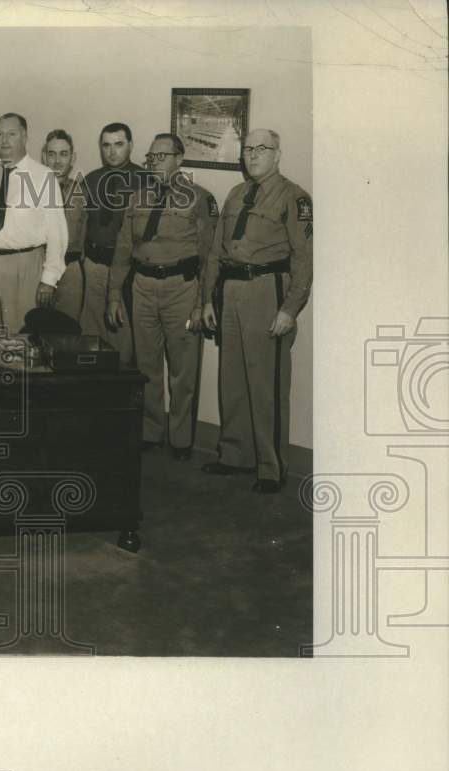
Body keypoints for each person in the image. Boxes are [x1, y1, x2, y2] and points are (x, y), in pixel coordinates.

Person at [200, 128, 313, 493]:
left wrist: (290, 309)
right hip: (230, 291)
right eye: (247, 149)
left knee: (266, 385)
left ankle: (270, 467)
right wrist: (207, 300)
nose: (252, 155)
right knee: (231, 379)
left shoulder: (294, 197)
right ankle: (234, 455)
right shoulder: (236, 194)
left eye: (261, 149)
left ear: (278, 153)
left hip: (268, 291)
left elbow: (304, 260)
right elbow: (216, 252)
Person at [106, 134, 217, 460]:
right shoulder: (136, 199)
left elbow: (209, 256)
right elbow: (123, 249)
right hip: (142, 287)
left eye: (162, 156)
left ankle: (181, 440)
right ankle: (151, 431)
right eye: (151, 157)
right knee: (148, 365)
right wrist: (114, 295)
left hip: (181, 289)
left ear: (180, 159)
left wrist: (201, 302)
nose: (155, 162)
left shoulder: (201, 199)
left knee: (184, 370)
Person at [0, 113, 67, 334]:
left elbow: (57, 233)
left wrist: (49, 278)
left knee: (22, 342)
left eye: (11, 134)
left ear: (24, 136)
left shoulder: (43, 176)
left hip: (26, 266)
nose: (4, 140)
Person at [81, 122, 143, 363]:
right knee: (92, 336)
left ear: (131, 145)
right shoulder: (91, 180)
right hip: (94, 266)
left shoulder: (145, 182)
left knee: (124, 339)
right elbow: (83, 224)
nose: (112, 151)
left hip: (126, 272)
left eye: (119, 144)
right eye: (106, 145)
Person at [42, 129, 88, 323]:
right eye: (51, 154)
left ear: (72, 157)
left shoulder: (82, 191)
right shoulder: (32, 189)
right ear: (44, 157)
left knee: (68, 328)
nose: (57, 161)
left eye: (63, 154)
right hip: (41, 268)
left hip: (72, 269)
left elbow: (86, 230)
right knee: (39, 326)